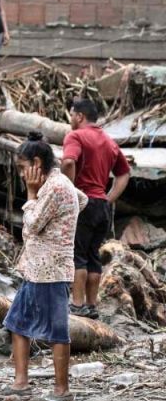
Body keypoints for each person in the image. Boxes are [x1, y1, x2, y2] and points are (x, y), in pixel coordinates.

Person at [0, 132, 86, 401]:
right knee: (17, 323)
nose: (22, 174)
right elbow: (81, 199)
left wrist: (31, 194)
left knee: (56, 331)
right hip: (36, 268)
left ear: (37, 163)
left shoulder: (54, 187)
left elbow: (33, 223)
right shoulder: (59, 183)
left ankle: (62, 390)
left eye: (23, 168)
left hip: (50, 270)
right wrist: (64, 222)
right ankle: (21, 382)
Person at [62, 97, 131, 320]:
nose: (71, 119)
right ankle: (92, 306)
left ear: (80, 116)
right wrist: (109, 198)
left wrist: (70, 190)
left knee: (78, 255)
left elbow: (68, 162)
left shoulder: (75, 136)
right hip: (101, 205)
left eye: (72, 114)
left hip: (84, 202)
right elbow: (124, 173)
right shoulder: (110, 141)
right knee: (93, 256)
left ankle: (77, 304)